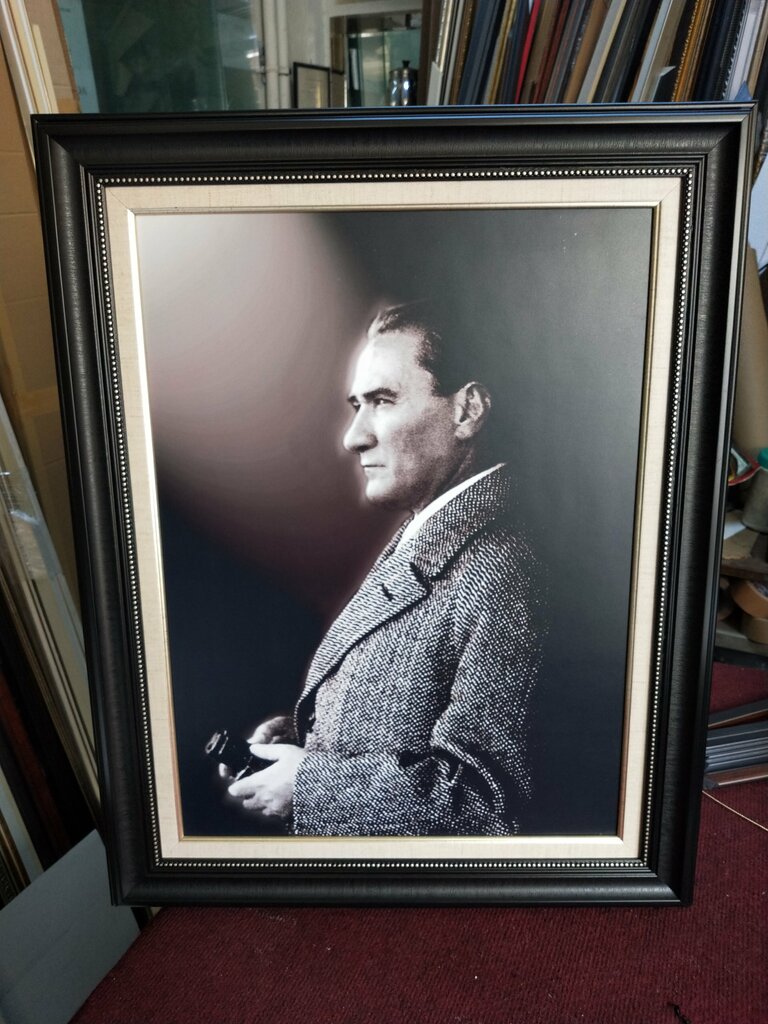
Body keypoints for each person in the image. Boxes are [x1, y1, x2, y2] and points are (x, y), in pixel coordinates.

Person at [223, 301, 546, 836]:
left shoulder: (504, 565)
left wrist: (310, 785)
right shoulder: (434, 531)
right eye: (357, 405)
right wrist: (305, 743)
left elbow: (487, 805)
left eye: (381, 401)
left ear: (467, 411)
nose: (354, 437)